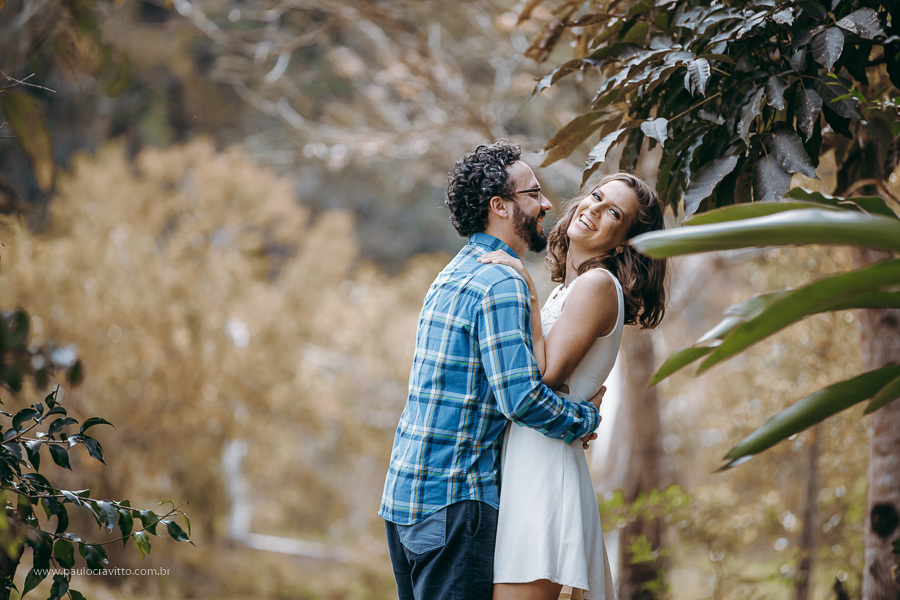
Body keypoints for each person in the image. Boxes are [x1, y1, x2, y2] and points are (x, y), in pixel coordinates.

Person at [379, 140, 605, 600]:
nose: (546, 205)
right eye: (533, 194)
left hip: (403, 501)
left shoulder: (451, 273)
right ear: (500, 207)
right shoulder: (500, 281)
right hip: (455, 506)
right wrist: (587, 417)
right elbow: (520, 398)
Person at [480, 173, 668, 600]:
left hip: (543, 474)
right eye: (597, 197)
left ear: (623, 242)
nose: (595, 210)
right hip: (528, 463)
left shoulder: (598, 285)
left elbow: (540, 378)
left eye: (614, 213)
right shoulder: (570, 289)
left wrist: (525, 286)